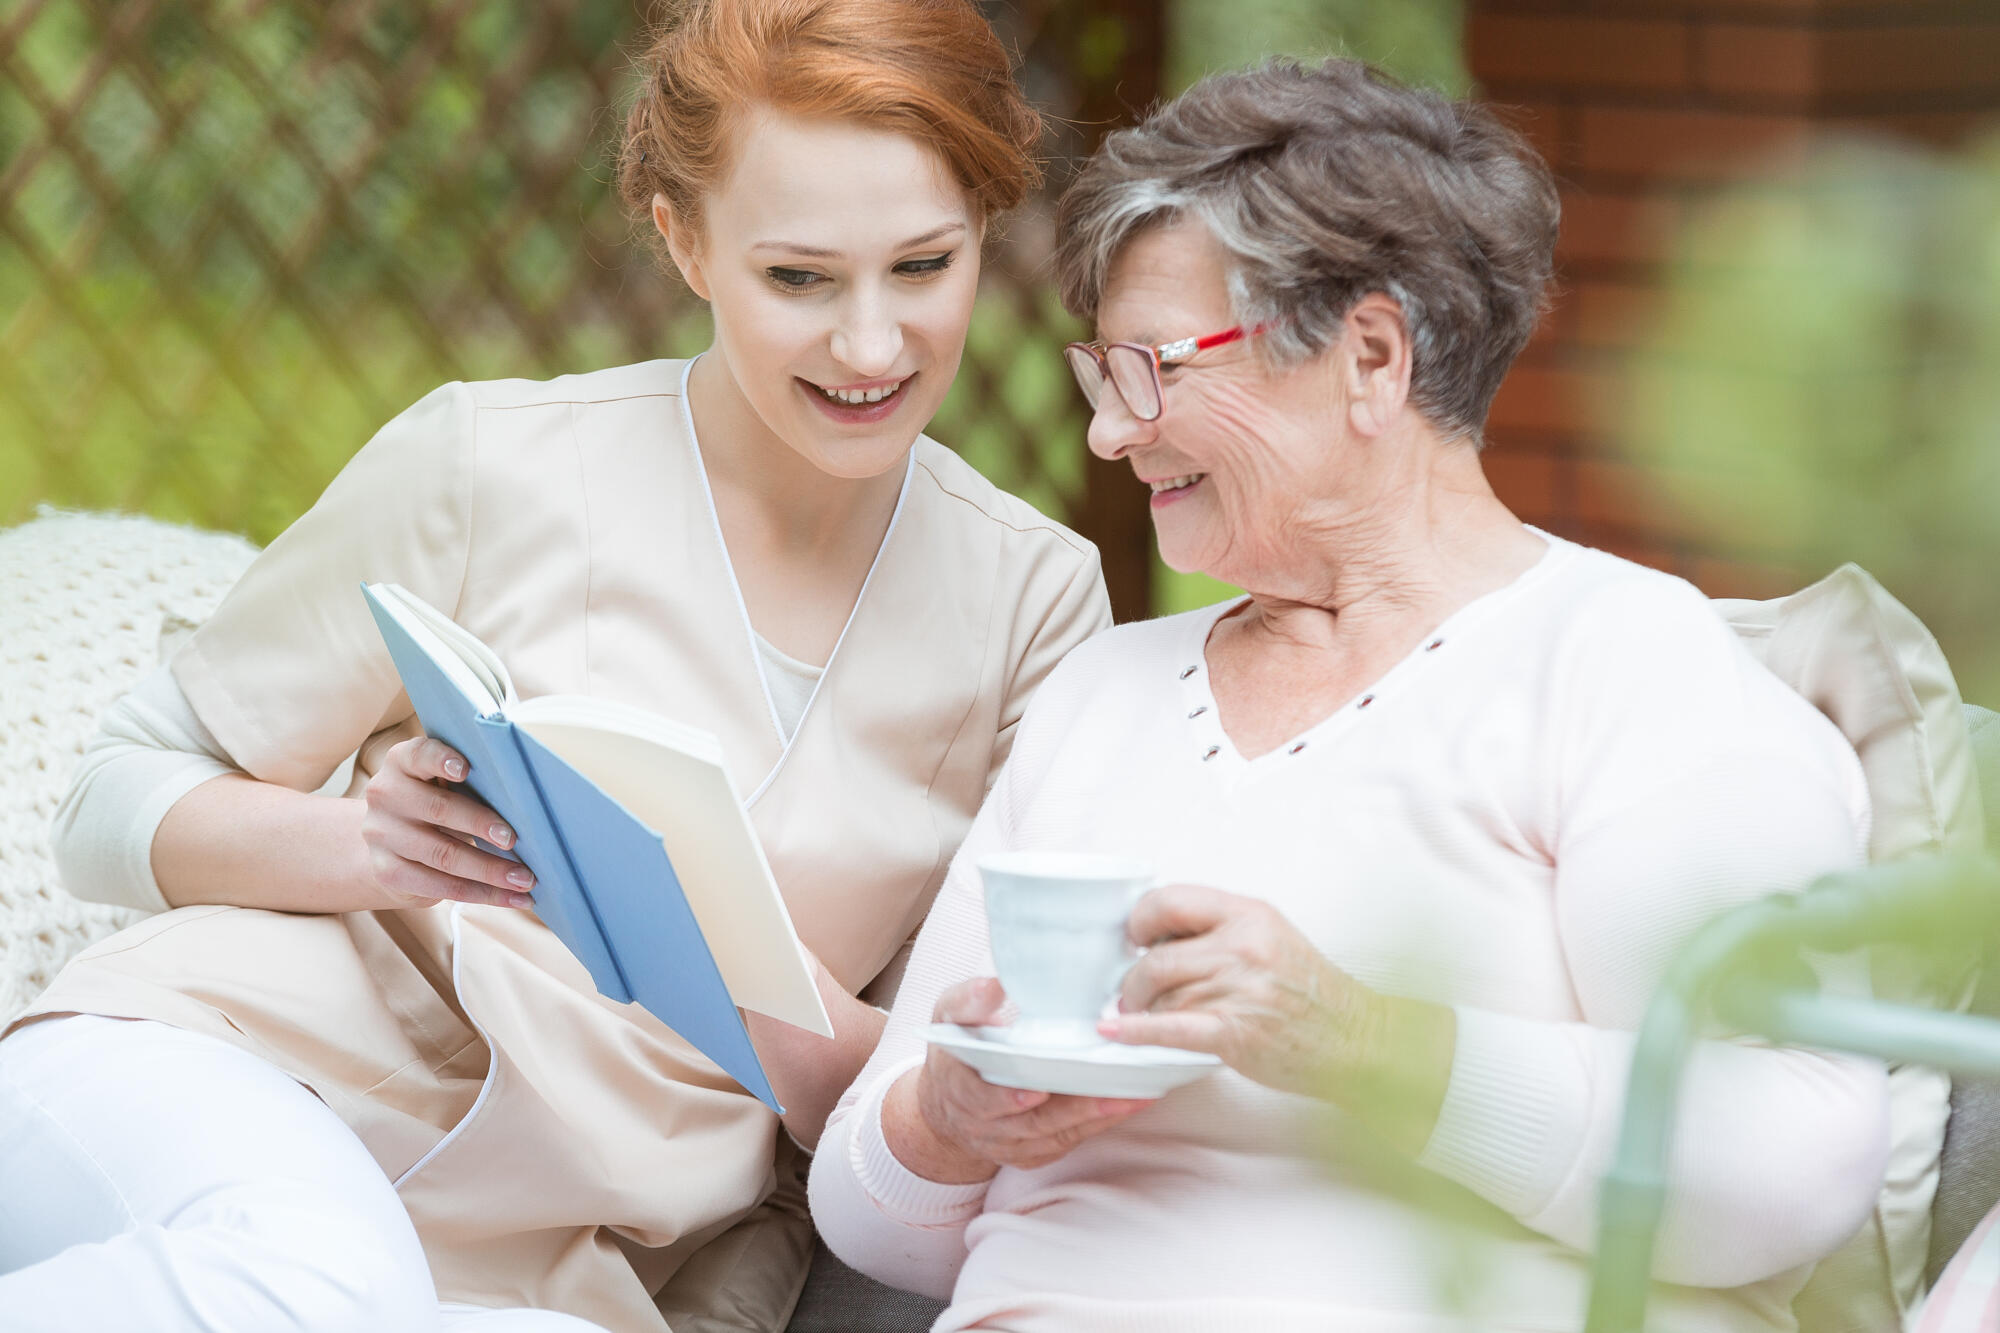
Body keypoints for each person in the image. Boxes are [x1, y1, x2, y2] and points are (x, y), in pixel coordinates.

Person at [0, 2, 1109, 1330]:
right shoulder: (488, 464)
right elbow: (108, 798)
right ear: (684, 241)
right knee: (313, 1279)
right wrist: (366, 847)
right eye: (800, 279)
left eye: (923, 267)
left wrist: (732, 965)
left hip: (558, 1261)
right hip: (224, 1074)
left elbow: (935, 1099)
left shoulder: (1035, 606)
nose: (871, 347)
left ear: (988, 232)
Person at [810, 58, 1890, 1333]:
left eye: (1151, 370)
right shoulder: (1101, 692)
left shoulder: (1621, 666)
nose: (1109, 434)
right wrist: (945, 1118)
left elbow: (1793, 1158)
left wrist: (1368, 1045)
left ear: (1369, 357)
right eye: (1103, 378)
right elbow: (870, 1220)